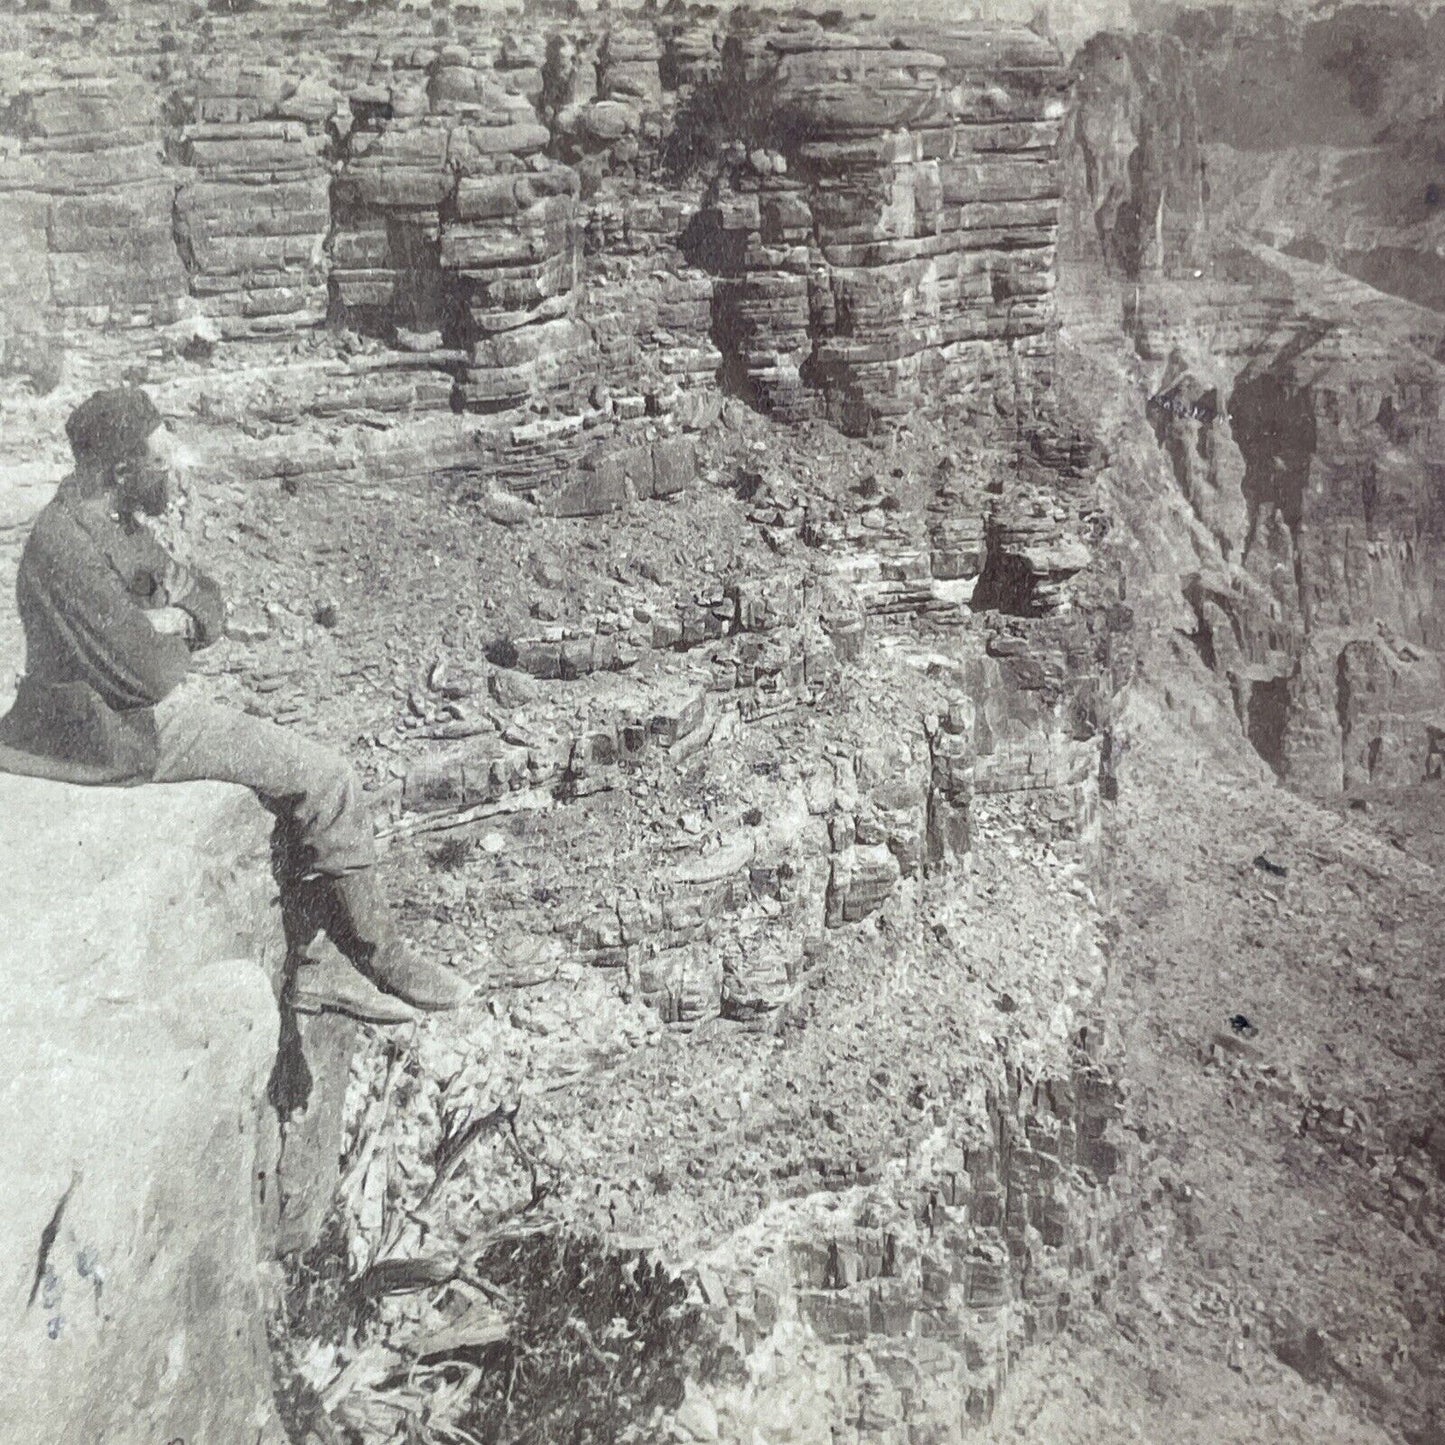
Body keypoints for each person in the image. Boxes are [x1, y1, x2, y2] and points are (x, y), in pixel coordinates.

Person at [0, 386, 470, 1021]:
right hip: (104, 735)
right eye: (161, 464)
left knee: (286, 773)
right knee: (325, 778)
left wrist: (172, 619)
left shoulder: (109, 523)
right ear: (121, 471)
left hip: (116, 710)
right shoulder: (68, 550)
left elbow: (210, 605)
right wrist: (168, 624)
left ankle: (312, 969)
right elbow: (154, 674)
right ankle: (378, 955)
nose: (175, 476)